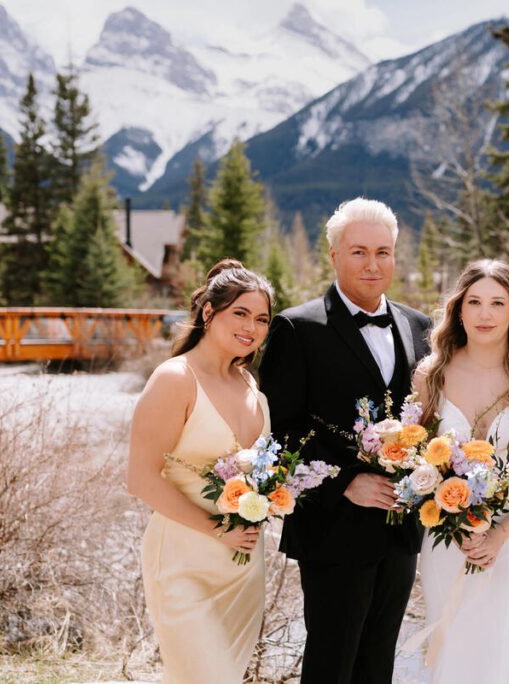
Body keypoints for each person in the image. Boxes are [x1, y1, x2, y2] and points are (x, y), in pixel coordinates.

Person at [259, 198, 432, 684]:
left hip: (400, 529)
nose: (372, 264)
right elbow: (281, 429)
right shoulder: (298, 328)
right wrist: (344, 484)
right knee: (331, 664)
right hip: (331, 528)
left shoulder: (420, 327)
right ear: (333, 255)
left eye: (383, 251)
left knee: (379, 663)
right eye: (358, 252)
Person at [412, 259, 509, 684]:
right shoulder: (431, 375)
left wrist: (500, 533)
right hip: (449, 541)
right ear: (458, 309)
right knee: (457, 653)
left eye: (497, 303)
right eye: (474, 302)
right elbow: (415, 460)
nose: (484, 314)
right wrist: (453, 522)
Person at [127, 259, 274, 683]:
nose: (251, 327)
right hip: (183, 563)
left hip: (243, 568)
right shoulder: (175, 379)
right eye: (240, 314)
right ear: (209, 313)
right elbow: (140, 478)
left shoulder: (249, 384)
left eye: (261, 318)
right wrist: (216, 528)